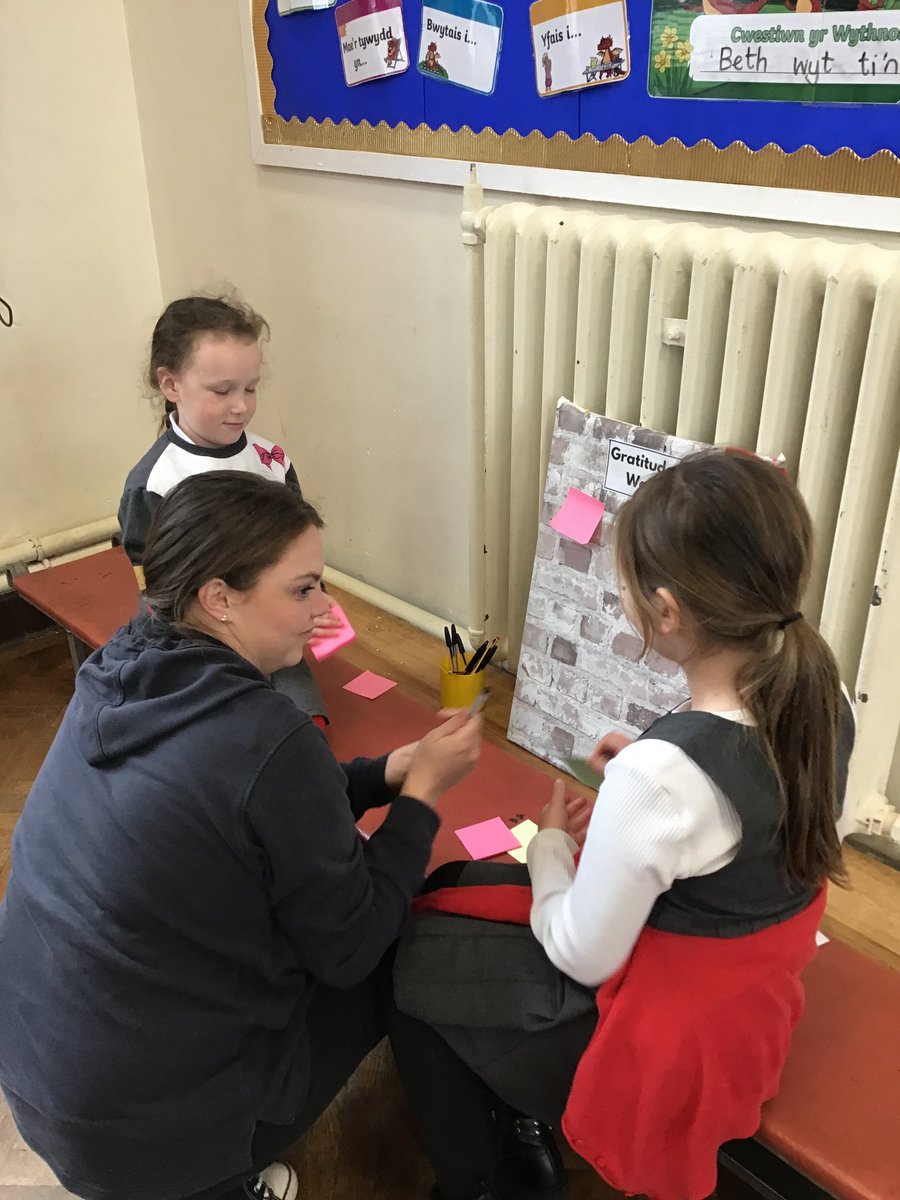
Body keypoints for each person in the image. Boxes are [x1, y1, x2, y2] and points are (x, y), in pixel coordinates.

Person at [0, 471, 482, 1200]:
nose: (326, 609)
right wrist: (421, 797)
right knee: (408, 938)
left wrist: (386, 772)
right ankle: (472, 1177)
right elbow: (351, 945)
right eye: (304, 589)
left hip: (40, 1082)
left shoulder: (117, 667)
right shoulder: (267, 736)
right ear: (219, 597)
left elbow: (257, 804)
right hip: (152, 1142)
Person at [389, 450, 855, 1200]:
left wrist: (550, 845)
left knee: (414, 963)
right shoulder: (824, 689)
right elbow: (751, 807)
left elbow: (582, 954)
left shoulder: (661, 781)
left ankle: (477, 1179)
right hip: (751, 977)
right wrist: (650, 788)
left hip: (668, 1022)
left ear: (665, 613)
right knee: (463, 901)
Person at [118, 294, 332, 725]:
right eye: (222, 391)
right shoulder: (155, 482)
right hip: (200, 637)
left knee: (302, 723)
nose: (241, 405)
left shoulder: (272, 460)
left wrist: (314, 600)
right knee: (218, 724)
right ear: (171, 385)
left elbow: (300, 553)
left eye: (250, 388)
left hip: (270, 627)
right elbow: (153, 584)